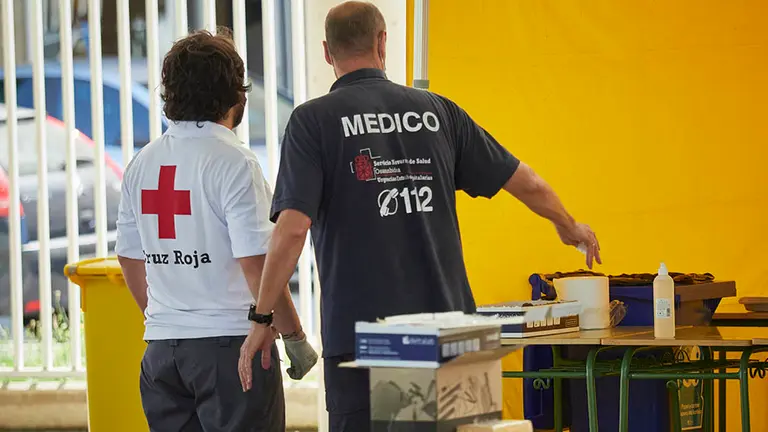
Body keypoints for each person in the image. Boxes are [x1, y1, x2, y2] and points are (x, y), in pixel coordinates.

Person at [237, 2, 601, 431]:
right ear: (382, 42)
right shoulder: (439, 112)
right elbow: (526, 181)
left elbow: (293, 228)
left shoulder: (312, 122)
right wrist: (568, 225)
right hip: (448, 335)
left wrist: (263, 318)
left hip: (362, 341)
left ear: (326, 52)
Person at [115, 29, 317, 432]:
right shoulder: (234, 162)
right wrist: (293, 335)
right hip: (231, 352)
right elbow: (257, 264)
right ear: (236, 98)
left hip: (162, 357)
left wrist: (167, 320)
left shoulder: (143, 163)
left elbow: (128, 255)